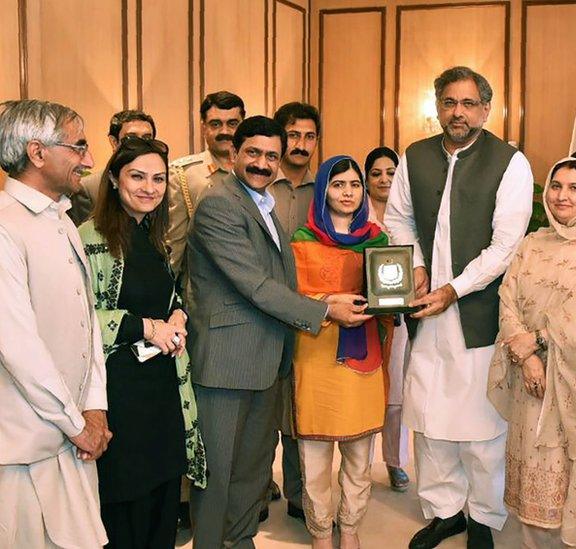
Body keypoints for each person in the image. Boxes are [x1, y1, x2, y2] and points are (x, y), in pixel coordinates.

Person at [185, 116, 369, 548]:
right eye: (253, 153)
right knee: (218, 473)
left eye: (271, 155)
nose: (262, 163)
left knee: (252, 467)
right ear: (234, 154)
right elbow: (254, 284)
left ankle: (240, 538)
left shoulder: (263, 204)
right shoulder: (220, 204)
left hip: (267, 358)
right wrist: (324, 309)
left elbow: (281, 281)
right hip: (227, 361)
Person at [385, 66, 534, 549]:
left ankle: (484, 518)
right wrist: (418, 267)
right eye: (450, 103)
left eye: (469, 104)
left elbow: (507, 244)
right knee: (428, 420)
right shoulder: (416, 156)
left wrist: (455, 288)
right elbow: (398, 218)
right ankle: (445, 511)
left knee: (481, 427)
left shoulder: (510, 162)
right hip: (427, 310)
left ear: (486, 110)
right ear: (438, 107)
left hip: (478, 312)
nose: (458, 113)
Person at [487, 158, 576, 548]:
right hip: (529, 381)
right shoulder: (533, 243)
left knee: (571, 481)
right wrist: (527, 355)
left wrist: (535, 341)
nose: (562, 195)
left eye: (574, 188)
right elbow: (508, 299)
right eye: (556, 185)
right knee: (532, 484)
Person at [78, 136, 207, 547]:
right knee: (124, 511)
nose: (149, 187)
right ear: (114, 179)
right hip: (120, 396)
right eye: (137, 176)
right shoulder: (87, 237)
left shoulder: (155, 237)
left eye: (158, 179)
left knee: (163, 503)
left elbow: (168, 297)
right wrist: (148, 328)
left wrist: (178, 314)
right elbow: (78, 323)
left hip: (165, 393)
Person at [0, 99, 111, 548]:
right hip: (23, 450)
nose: (88, 160)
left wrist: (95, 407)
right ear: (37, 152)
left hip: (73, 437)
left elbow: (88, 324)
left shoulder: (62, 219)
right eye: (78, 146)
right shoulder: (6, 228)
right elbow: (17, 344)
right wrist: (74, 420)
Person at [291, 155, 393, 549]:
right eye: (338, 185)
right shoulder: (302, 240)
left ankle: (349, 527)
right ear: (323, 191)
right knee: (315, 454)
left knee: (359, 449)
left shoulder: (378, 239)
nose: (347, 192)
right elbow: (292, 298)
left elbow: (389, 293)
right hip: (316, 354)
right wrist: (329, 302)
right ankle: (320, 531)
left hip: (363, 354)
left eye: (354, 185)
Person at [267, 100, 322, 522]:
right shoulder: (262, 185)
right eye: (293, 136)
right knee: (267, 405)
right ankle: (255, 490)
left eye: (309, 136)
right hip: (263, 309)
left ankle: (300, 496)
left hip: (311, 314)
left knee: (300, 408)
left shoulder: (326, 188)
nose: (301, 144)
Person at [364, 145, 412, 492]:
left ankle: (394, 462)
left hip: (399, 315)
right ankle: (359, 466)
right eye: (376, 173)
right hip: (363, 317)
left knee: (395, 394)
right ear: (366, 179)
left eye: (390, 173)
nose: (383, 179)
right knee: (365, 390)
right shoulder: (354, 213)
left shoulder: (407, 215)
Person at [166, 90, 245, 276]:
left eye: (232, 124)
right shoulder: (183, 174)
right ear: (203, 128)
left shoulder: (258, 171)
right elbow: (174, 243)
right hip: (203, 286)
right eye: (215, 124)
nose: (225, 132)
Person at [69, 109, 156, 225]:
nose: (140, 144)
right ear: (114, 142)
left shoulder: (160, 185)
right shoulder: (88, 188)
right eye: (131, 138)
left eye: (147, 138)